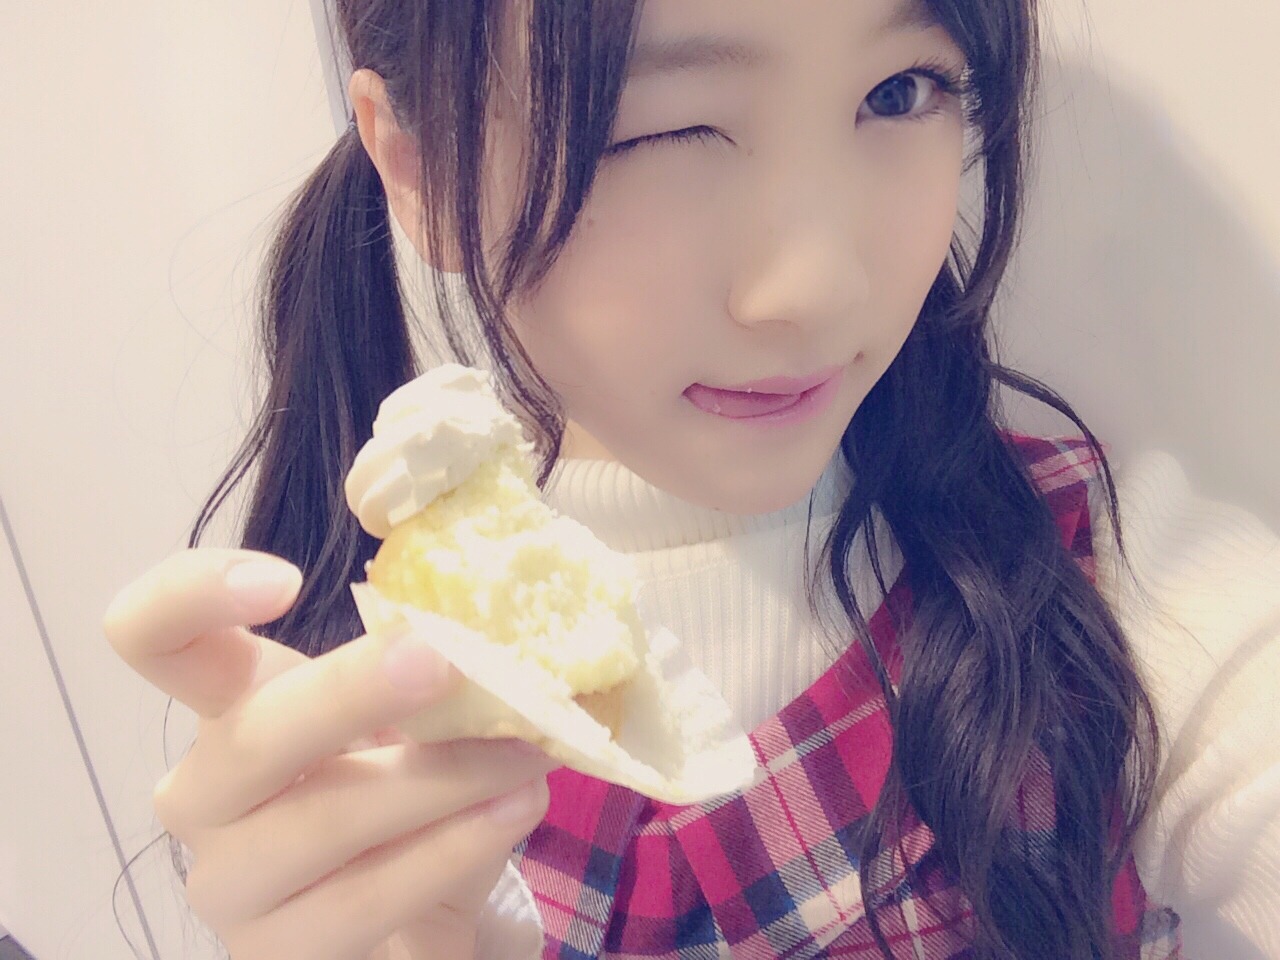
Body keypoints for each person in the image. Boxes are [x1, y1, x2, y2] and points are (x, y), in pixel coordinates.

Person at [101, 0, 1280, 958]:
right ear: (416, 165)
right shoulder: (359, 725)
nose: (814, 287)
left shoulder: (1103, 582)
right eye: (658, 129)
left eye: (899, 91)